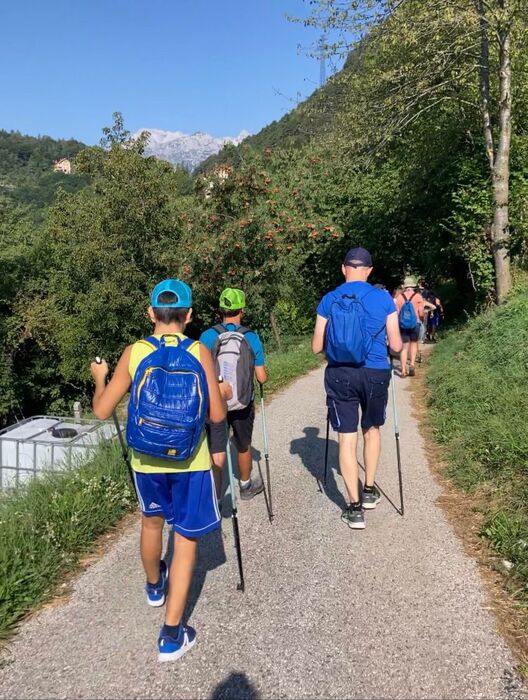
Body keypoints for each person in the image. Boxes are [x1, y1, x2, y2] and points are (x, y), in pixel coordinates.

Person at [90, 279, 228, 663]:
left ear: (150, 313)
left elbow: (102, 411)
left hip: (145, 460)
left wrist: (99, 378)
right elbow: (217, 415)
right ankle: (171, 635)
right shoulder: (200, 351)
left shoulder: (134, 352)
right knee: (185, 540)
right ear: (189, 316)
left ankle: (154, 587)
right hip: (191, 462)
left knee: (151, 523)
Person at [312, 247, 402, 529]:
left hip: (340, 374)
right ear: (369, 270)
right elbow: (397, 345)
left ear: (343, 269)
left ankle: (353, 508)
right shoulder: (384, 299)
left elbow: (316, 347)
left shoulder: (329, 300)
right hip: (375, 372)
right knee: (371, 429)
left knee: (346, 438)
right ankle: (369, 489)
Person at [200, 288, 268, 502]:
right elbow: (262, 378)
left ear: (221, 310)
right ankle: (246, 485)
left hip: (215, 401)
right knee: (243, 444)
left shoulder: (207, 336)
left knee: (216, 447)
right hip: (242, 403)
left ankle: (215, 497)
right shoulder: (251, 338)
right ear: (242, 310)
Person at [395, 276, 424, 377]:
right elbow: (421, 313)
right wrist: (422, 320)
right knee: (414, 343)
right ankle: (411, 364)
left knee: (404, 347)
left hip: (403, 325)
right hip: (415, 324)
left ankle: (403, 370)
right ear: (413, 286)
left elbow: (397, 314)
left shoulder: (399, 298)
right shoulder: (418, 297)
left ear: (404, 286)